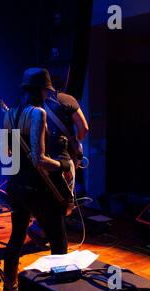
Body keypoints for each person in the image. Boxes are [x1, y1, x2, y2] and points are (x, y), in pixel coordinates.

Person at [2, 68, 72, 291]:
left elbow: (7, 153)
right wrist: (63, 165)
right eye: (46, 90)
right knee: (59, 243)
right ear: (40, 90)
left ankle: (8, 290)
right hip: (37, 188)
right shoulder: (37, 113)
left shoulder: (9, 113)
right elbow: (39, 159)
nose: (47, 94)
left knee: (16, 238)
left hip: (16, 187)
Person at [28, 68, 89, 244]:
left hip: (42, 158)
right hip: (63, 157)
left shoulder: (32, 104)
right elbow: (84, 127)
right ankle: (57, 238)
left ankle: (44, 231)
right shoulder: (68, 100)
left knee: (45, 196)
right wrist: (77, 141)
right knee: (64, 199)